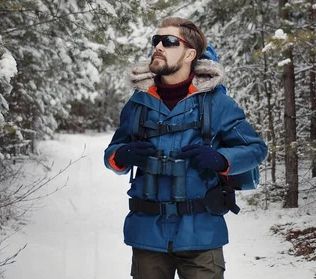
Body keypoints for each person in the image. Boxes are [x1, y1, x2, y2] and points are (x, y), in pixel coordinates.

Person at [104, 17, 267, 279]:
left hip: (201, 234)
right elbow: (112, 153)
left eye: (168, 41)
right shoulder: (137, 104)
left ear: (190, 53)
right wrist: (122, 155)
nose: (158, 46)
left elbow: (256, 149)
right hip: (148, 234)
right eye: (155, 40)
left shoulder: (218, 103)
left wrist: (221, 159)